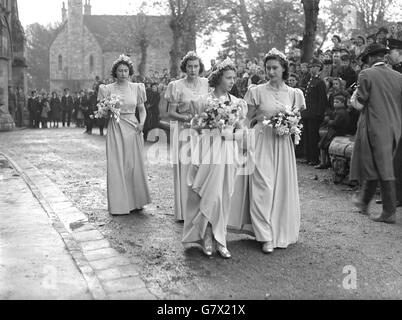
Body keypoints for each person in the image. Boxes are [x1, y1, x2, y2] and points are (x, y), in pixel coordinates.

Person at [182, 58, 248, 259]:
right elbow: (194, 127)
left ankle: (221, 238)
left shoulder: (237, 103)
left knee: (224, 195)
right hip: (208, 151)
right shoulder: (203, 101)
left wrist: (232, 136)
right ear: (218, 78)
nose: (232, 81)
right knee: (209, 194)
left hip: (228, 152)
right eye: (228, 77)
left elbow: (243, 130)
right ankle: (207, 235)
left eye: (233, 78)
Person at [243, 48, 306, 253]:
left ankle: (280, 231)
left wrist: (290, 124)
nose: (270, 72)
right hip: (262, 142)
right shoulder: (256, 91)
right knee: (263, 187)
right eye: (268, 68)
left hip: (283, 144)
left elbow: (297, 118)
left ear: (284, 69)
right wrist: (244, 137)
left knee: (281, 187)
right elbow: (247, 118)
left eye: (275, 68)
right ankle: (265, 236)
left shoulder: (295, 94)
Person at [351, 43, 402, 224]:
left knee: (382, 168)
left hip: (373, 128)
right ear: (384, 57)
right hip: (395, 128)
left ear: (371, 58)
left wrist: (353, 97)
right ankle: (363, 202)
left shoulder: (366, 74)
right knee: (375, 165)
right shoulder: (399, 76)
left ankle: (388, 212)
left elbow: (360, 102)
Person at [97, 54, 151, 215]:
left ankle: (136, 201)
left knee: (133, 164)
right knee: (117, 163)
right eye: (120, 70)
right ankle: (119, 204)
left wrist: (142, 123)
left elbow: (142, 109)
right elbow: (102, 113)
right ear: (115, 72)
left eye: (125, 70)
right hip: (116, 126)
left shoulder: (137, 88)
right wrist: (107, 110)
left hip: (133, 128)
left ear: (129, 72)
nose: (122, 73)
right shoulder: (107, 89)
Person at [165, 51, 209, 222]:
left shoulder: (207, 83)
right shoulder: (176, 86)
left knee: (202, 167)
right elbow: (170, 113)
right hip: (184, 130)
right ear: (185, 68)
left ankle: (201, 210)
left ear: (200, 67)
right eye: (189, 66)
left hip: (203, 130)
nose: (192, 69)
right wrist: (187, 118)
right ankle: (185, 211)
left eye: (196, 66)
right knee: (186, 168)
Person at [302, 58, 330, 166]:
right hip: (307, 112)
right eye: (311, 67)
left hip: (314, 114)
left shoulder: (320, 82)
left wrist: (319, 114)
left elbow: (322, 100)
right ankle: (308, 157)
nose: (312, 69)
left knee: (313, 137)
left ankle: (314, 158)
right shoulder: (310, 81)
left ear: (319, 69)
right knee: (307, 136)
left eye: (315, 67)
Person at [316, 95, 351, 169]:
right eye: (334, 102)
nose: (335, 103)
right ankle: (326, 162)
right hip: (333, 131)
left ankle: (323, 163)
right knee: (322, 145)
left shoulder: (341, 112)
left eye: (337, 102)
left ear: (342, 103)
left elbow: (336, 123)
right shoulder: (337, 111)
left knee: (323, 145)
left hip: (336, 132)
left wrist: (328, 121)